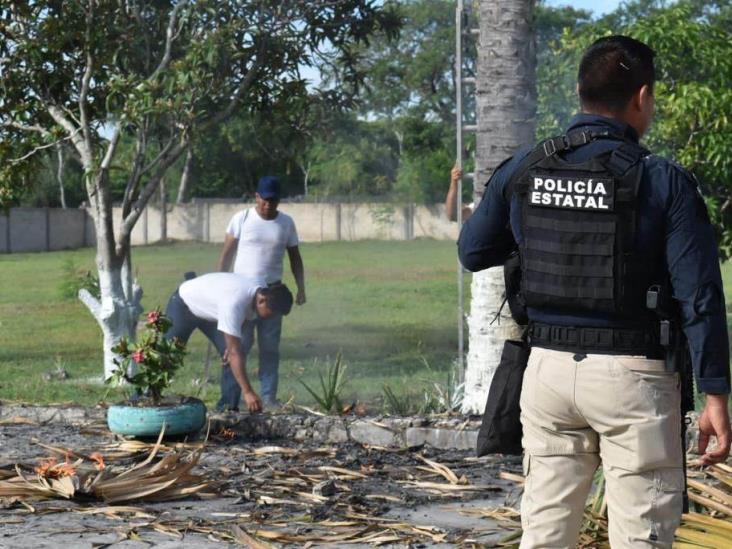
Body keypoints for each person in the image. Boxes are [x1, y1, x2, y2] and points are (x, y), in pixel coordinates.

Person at [458, 35, 731, 548]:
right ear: (642, 97)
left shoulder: (525, 167)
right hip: (634, 380)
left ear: (581, 92)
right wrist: (715, 394)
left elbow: (473, 253)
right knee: (641, 538)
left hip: (545, 374)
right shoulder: (662, 180)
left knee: (544, 535)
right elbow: (700, 297)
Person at [217, 176, 306, 410]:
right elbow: (226, 254)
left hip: (273, 297)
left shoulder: (286, 223)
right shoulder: (242, 218)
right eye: (265, 200)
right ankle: (230, 400)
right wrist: (220, 285)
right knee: (237, 348)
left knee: (269, 348)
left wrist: (301, 288)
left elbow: (295, 258)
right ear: (257, 197)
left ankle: (268, 397)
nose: (268, 205)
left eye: (274, 201)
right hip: (242, 295)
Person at [164, 273, 294, 413]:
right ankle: (143, 399)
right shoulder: (234, 303)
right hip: (184, 304)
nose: (272, 317)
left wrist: (233, 346)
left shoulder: (261, 289)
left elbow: (245, 316)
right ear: (262, 300)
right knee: (165, 355)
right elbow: (234, 350)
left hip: (213, 310)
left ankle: (227, 410)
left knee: (234, 356)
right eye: (272, 313)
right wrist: (248, 392)